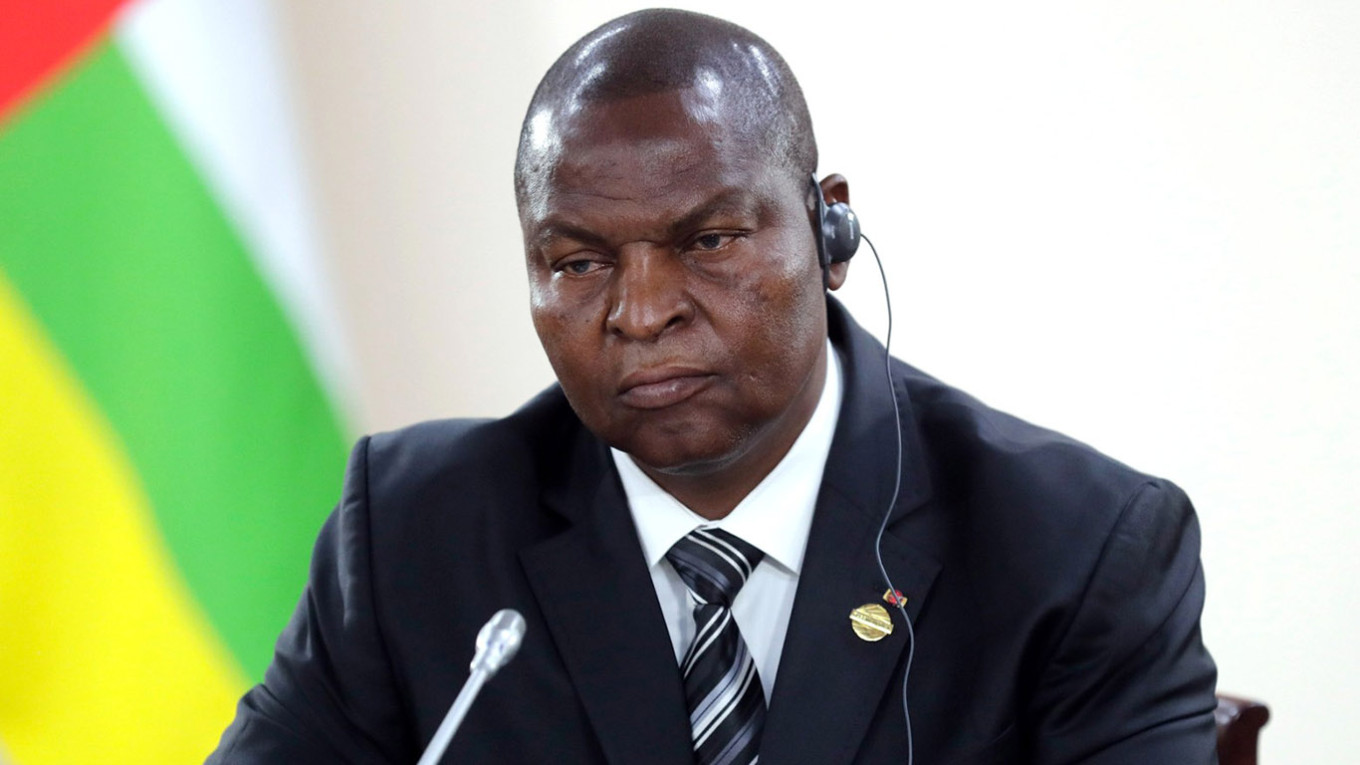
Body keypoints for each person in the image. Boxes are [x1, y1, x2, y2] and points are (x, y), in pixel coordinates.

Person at [208, 9, 1217, 764]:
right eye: (578, 261)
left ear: (828, 232)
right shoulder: (415, 533)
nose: (642, 312)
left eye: (710, 240)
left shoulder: (1074, 548)